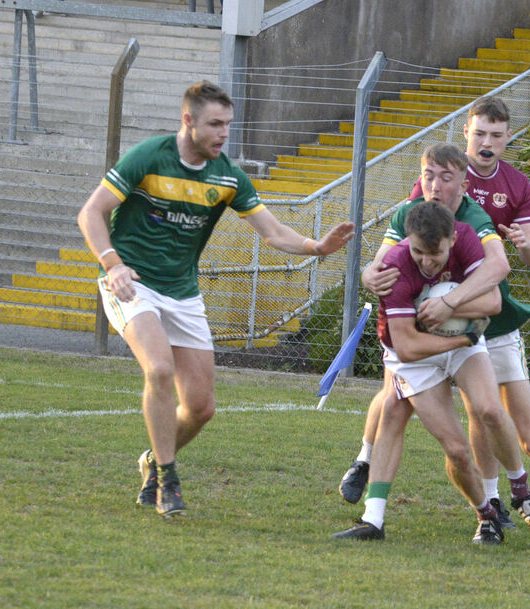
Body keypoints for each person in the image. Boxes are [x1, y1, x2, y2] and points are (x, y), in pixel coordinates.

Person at [77, 80, 354, 518]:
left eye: (228, 124)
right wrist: (112, 264)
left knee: (202, 408)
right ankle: (168, 479)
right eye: (215, 124)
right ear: (188, 121)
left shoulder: (227, 176)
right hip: (132, 282)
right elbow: (91, 212)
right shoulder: (149, 157)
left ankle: (152, 458)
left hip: (182, 291)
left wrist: (316, 247)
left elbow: (274, 232)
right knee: (160, 367)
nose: (224, 134)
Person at [340, 98, 530, 546]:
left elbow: (505, 274)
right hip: (435, 331)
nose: (487, 142)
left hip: (483, 326)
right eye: (480, 133)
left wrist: (455, 305)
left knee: (510, 426)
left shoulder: (494, 201)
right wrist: (370, 273)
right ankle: (385, 491)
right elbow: (385, 264)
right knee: (398, 405)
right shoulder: (417, 207)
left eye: (496, 135)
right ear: (466, 134)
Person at [332, 200, 505, 544]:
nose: (426, 262)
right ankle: (487, 514)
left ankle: (519, 488)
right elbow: (409, 348)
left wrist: (449, 305)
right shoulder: (395, 266)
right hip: (415, 353)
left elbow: (494, 303)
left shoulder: (467, 238)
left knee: (490, 410)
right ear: (407, 240)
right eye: (418, 252)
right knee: (454, 448)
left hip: (461, 340)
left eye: (435, 254)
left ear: (451, 240)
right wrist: (461, 339)